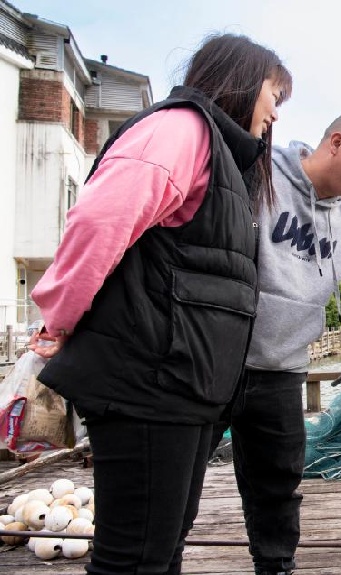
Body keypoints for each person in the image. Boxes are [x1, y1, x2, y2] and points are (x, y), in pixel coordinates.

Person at [26, 33, 292, 574]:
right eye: (274, 95)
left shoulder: (227, 160)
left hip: (185, 387)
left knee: (163, 548)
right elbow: (101, 222)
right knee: (133, 558)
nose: (275, 114)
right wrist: (57, 319)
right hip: (147, 382)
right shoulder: (181, 127)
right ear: (243, 80)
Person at [212, 111, 341, 575]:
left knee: (279, 481)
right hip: (218, 357)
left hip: (283, 366)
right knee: (177, 476)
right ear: (337, 142)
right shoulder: (261, 175)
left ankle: (276, 565)